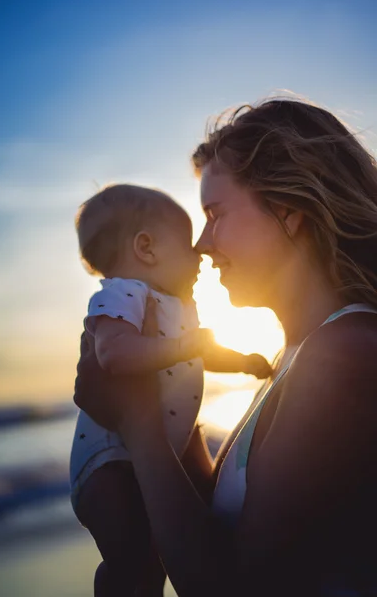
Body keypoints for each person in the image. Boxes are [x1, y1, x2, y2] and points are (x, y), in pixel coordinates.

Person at [74, 99, 377, 596]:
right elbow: (218, 527)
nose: (201, 246)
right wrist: (170, 409)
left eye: (215, 215)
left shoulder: (343, 355)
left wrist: (138, 420)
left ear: (287, 212)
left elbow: (229, 585)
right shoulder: (297, 357)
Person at [70, 183, 271, 596]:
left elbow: (198, 352)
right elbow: (113, 353)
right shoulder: (124, 294)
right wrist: (186, 345)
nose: (198, 251)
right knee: (132, 565)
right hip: (110, 461)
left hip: (160, 445)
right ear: (146, 247)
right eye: (185, 242)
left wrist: (240, 361)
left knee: (169, 549)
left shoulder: (177, 304)